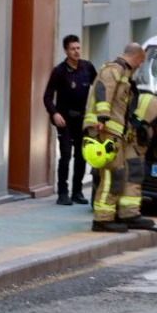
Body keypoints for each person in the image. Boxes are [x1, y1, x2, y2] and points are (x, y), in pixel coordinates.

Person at [83, 43, 155, 233]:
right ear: (138, 57)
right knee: (112, 175)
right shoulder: (113, 70)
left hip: (115, 132)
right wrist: (102, 118)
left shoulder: (124, 74)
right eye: (141, 61)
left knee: (120, 173)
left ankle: (119, 214)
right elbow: (102, 92)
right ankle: (102, 219)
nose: (141, 65)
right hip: (106, 131)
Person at [43, 34, 98, 206]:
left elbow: (98, 89)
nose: (76, 51)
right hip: (65, 120)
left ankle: (77, 191)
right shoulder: (59, 71)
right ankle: (63, 193)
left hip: (83, 120)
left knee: (82, 156)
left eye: (78, 48)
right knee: (66, 155)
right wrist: (54, 114)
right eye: (72, 49)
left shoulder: (87, 67)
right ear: (66, 51)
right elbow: (47, 96)